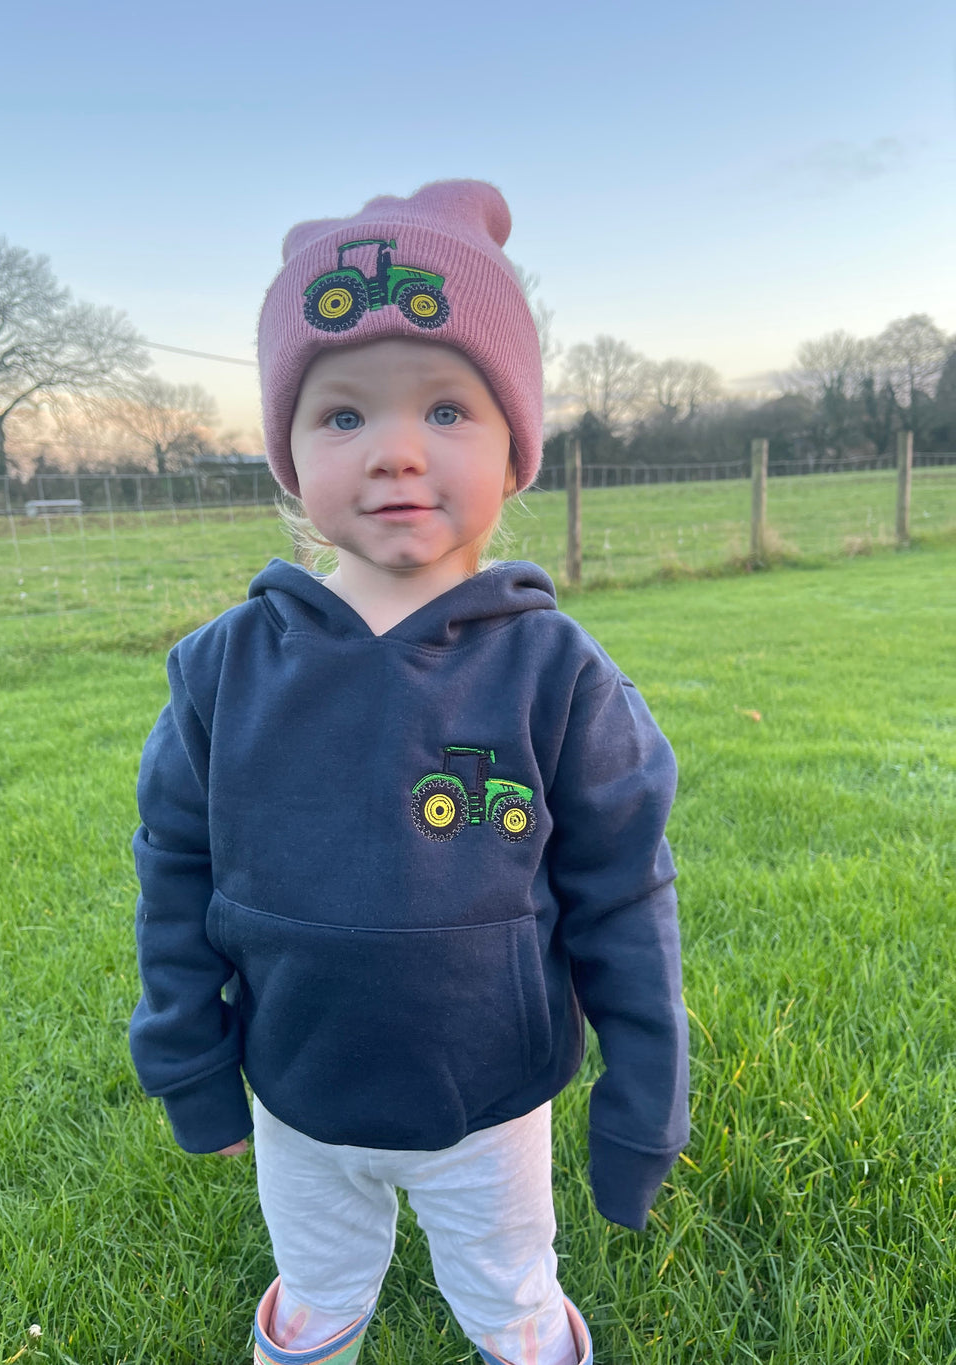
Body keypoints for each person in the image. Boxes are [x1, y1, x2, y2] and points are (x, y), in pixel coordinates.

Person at [130, 180, 689, 1365]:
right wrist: (187, 1061)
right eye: (341, 415)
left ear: (515, 449)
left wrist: (643, 1102)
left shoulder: (560, 676)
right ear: (288, 455)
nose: (393, 450)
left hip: (487, 1106)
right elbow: (173, 873)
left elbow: (625, 896)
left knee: (512, 1307)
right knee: (317, 1295)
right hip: (296, 1096)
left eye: (446, 408)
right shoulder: (221, 671)